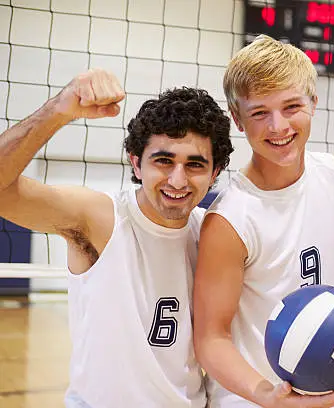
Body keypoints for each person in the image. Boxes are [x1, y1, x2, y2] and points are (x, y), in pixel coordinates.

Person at [0, 69, 234, 407]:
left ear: (215, 173)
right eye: (163, 161)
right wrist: (58, 110)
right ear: (136, 164)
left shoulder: (216, 233)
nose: (178, 180)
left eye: (195, 165)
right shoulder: (100, 219)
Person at [192, 35, 334, 408]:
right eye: (259, 112)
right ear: (237, 118)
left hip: (324, 390)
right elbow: (210, 340)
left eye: (291, 106)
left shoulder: (333, 175)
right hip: (253, 400)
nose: (278, 125)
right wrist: (266, 395)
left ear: (314, 103)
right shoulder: (230, 219)